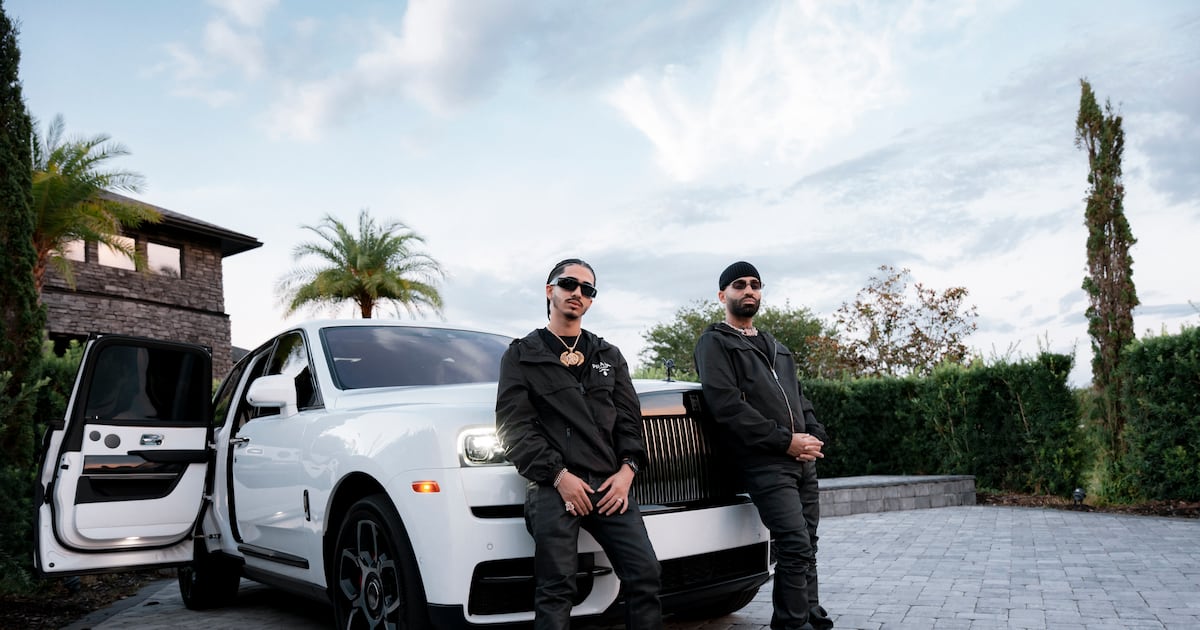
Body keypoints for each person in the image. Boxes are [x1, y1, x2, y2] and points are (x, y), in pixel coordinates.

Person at [495, 258, 661, 630]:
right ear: (549, 290)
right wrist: (558, 476)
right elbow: (513, 429)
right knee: (556, 589)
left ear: (591, 299)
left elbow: (630, 423)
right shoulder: (522, 354)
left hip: (610, 485)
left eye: (587, 289)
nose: (577, 293)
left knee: (645, 574)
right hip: (554, 486)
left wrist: (627, 471)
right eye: (569, 284)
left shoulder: (608, 355)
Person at [693, 261, 834, 630]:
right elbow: (727, 406)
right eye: (739, 285)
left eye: (755, 284)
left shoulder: (776, 347)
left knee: (808, 542)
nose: (749, 290)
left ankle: (811, 614)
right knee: (794, 542)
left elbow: (799, 398)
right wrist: (786, 441)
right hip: (764, 461)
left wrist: (814, 435)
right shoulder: (715, 343)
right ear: (723, 295)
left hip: (802, 460)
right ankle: (791, 623)